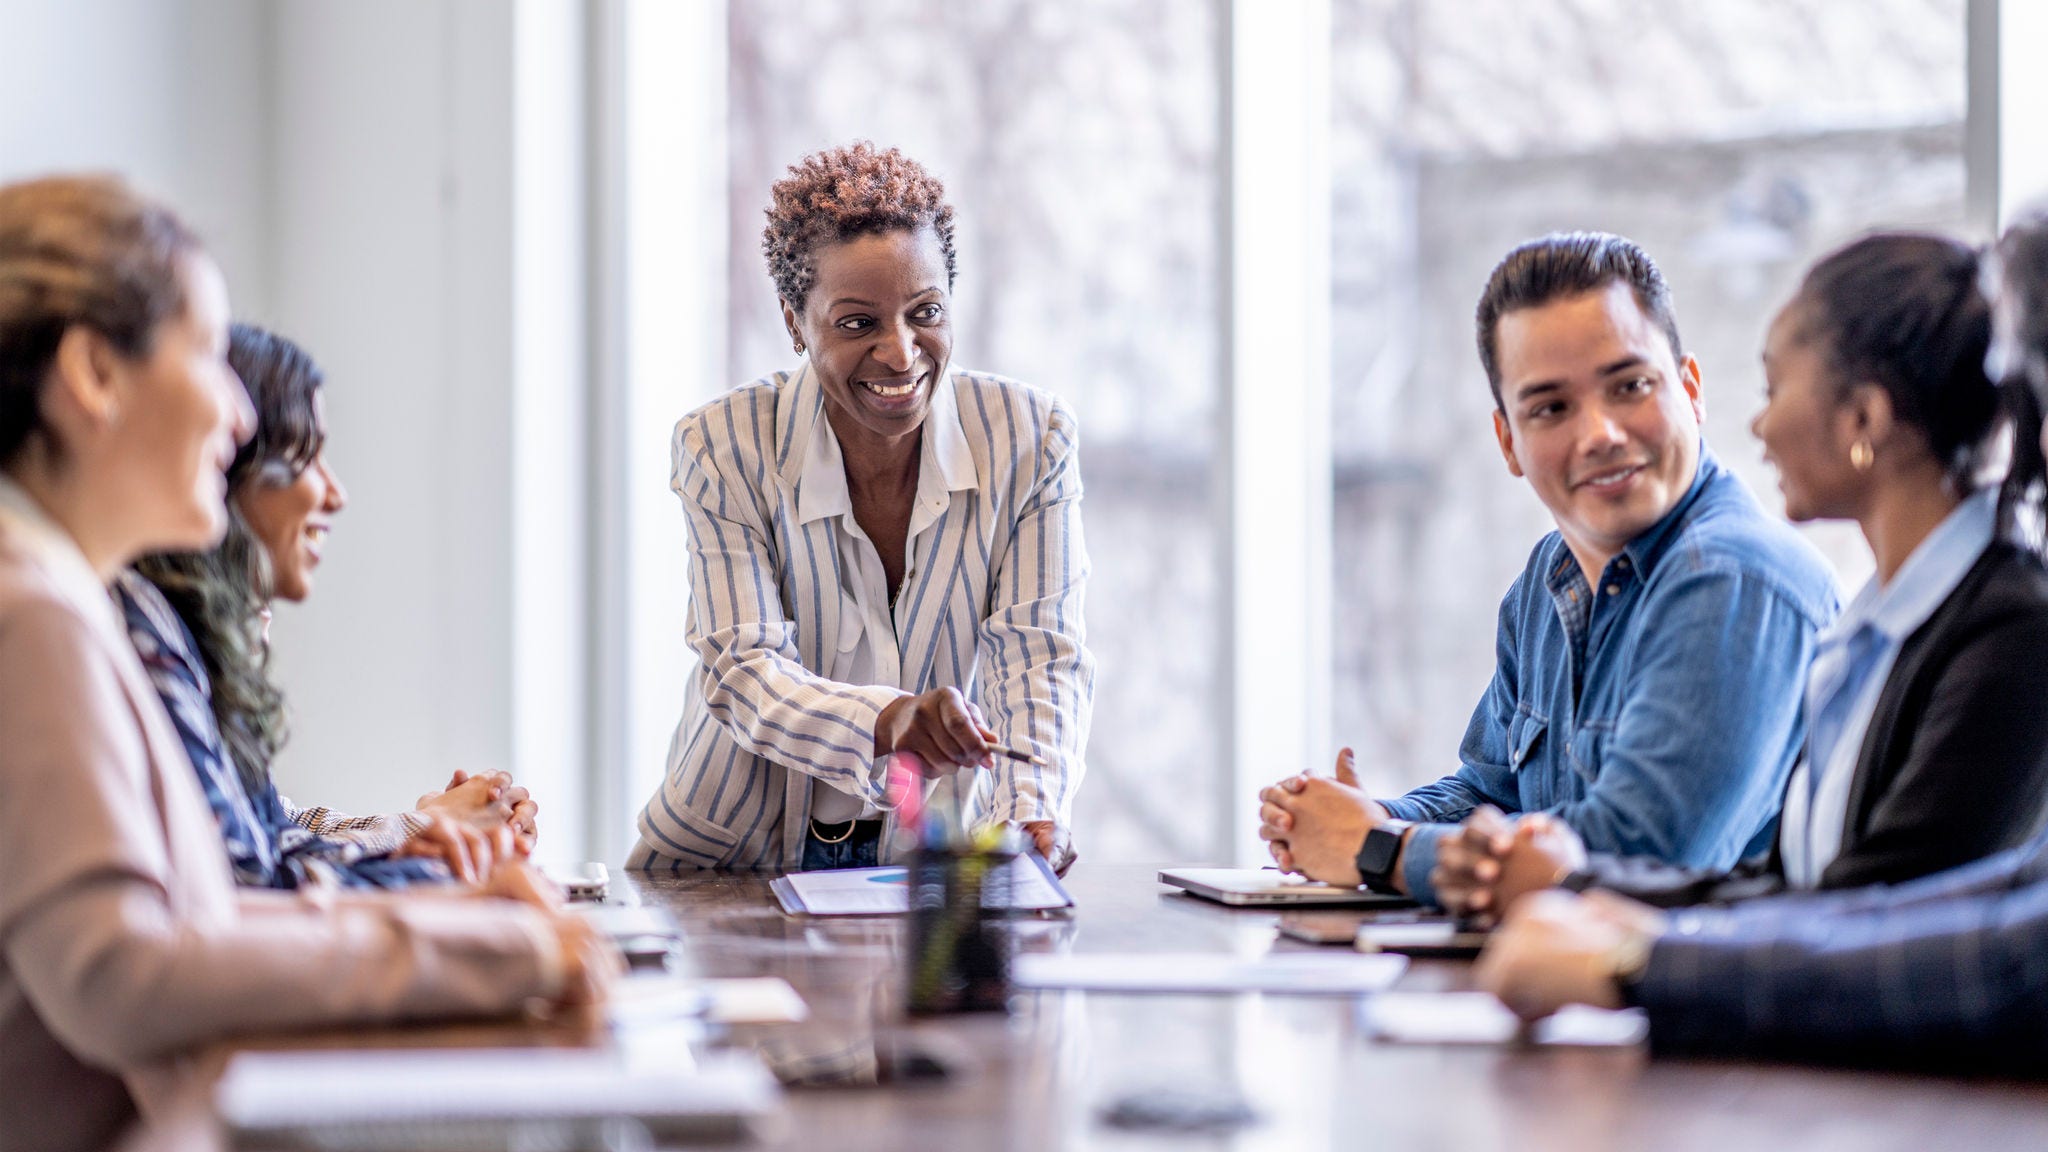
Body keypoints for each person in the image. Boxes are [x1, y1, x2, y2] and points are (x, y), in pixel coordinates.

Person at [0, 174, 615, 1152]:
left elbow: (201, 918)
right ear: (92, 376)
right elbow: (118, 978)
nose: (240, 415)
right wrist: (490, 953)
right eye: (206, 354)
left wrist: (475, 930)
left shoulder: (54, 595)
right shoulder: (32, 613)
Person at [1474, 213, 2048, 1071]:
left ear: (1863, 416)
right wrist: (1590, 894)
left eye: (1778, 387)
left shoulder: (2008, 630)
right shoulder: (1875, 630)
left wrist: (1637, 956)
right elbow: (1805, 891)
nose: (1762, 426)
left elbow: (1903, 931)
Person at [1258, 232, 1838, 906]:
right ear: (1509, 440)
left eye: (1630, 386)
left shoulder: (1735, 581)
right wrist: (1360, 820)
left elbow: (1633, 858)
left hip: (1703, 1001)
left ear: (1690, 389)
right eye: (1551, 408)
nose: (1600, 433)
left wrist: (1377, 850)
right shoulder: (1549, 578)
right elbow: (1488, 791)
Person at [630, 142, 1094, 873]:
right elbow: (743, 667)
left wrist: (1030, 808)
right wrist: (886, 720)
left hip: (924, 864)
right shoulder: (723, 445)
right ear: (794, 323)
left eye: (925, 312)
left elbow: (1038, 653)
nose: (902, 354)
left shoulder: (1030, 440)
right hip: (728, 863)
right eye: (857, 324)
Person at [127, 322, 536, 890]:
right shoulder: (145, 633)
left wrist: (421, 830)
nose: (335, 494)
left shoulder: (192, 633)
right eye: (304, 456)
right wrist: (422, 860)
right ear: (227, 465)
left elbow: (274, 825)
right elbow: (248, 878)